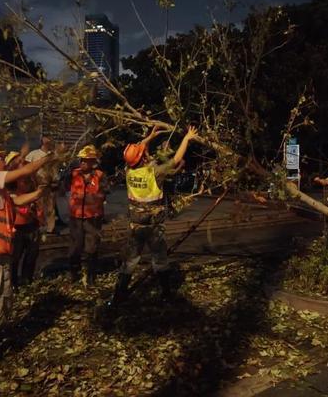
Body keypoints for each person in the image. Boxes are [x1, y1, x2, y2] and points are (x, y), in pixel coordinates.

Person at [0, 142, 51, 359]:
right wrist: (49, 157)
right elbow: (27, 170)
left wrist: (41, 191)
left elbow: (18, 200)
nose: (4, 162)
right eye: (0, 159)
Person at [108, 125, 198, 310]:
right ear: (143, 158)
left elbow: (135, 153)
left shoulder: (129, 170)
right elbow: (177, 159)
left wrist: (149, 137)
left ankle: (118, 296)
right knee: (160, 260)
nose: (146, 152)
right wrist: (187, 138)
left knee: (130, 261)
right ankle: (165, 295)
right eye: (144, 152)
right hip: (154, 226)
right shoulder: (154, 173)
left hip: (135, 226)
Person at [65, 145, 108, 287]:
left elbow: (105, 192)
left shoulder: (100, 176)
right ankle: (74, 275)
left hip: (93, 218)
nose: (82, 163)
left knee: (92, 248)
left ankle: (91, 277)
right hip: (76, 217)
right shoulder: (73, 174)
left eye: (86, 160)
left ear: (93, 162)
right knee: (75, 248)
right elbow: (63, 188)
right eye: (81, 160)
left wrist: (94, 197)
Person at [6, 151, 42, 288]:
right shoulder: (9, 181)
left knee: (32, 254)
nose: (22, 162)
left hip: (32, 222)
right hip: (17, 224)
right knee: (15, 257)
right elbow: (12, 201)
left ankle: (27, 281)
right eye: (18, 161)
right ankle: (13, 283)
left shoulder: (30, 178)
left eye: (22, 160)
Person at [25, 136, 58, 235]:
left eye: (50, 138)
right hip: (37, 184)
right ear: (42, 140)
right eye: (46, 138)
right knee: (38, 206)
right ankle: (39, 226)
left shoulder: (54, 155)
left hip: (50, 184)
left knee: (50, 207)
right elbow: (27, 166)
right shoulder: (34, 154)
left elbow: (56, 169)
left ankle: (50, 228)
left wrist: (56, 181)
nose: (49, 140)